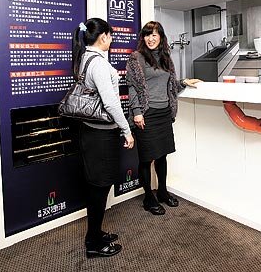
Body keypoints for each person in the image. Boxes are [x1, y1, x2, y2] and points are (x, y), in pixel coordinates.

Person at [71, 18, 135, 258]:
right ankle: (93, 243)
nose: (112, 39)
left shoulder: (84, 58)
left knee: (96, 186)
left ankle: (95, 233)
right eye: (110, 35)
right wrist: (126, 130)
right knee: (99, 188)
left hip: (91, 131)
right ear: (103, 36)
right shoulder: (97, 63)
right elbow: (111, 103)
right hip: (101, 134)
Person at [126, 21, 201, 215]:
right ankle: (148, 197)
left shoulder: (166, 57)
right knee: (146, 158)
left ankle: (162, 191)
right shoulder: (137, 57)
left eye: (154, 35)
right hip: (147, 114)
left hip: (164, 113)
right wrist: (137, 112)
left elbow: (169, 84)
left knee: (162, 156)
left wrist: (183, 82)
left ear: (161, 37)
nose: (150, 39)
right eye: (147, 35)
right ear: (143, 37)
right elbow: (132, 86)